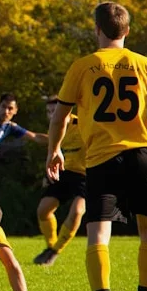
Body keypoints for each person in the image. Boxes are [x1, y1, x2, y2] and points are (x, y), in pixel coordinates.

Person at [47, 2, 147, 291]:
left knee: (98, 233)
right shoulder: (146, 65)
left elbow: (61, 116)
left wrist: (54, 150)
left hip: (101, 158)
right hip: (142, 155)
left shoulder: (82, 66)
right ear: (127, 31)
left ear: (97, 30)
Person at [33, 96, 85, 266]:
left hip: (87, 175)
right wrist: (47, 173)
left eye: (54, 111)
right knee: (43, 210)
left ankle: (56, 251)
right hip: (65, 173)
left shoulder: (83, 124)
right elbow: (52, 150)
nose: (51, 115)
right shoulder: (55, 127)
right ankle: (50, 247)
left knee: (77, 211)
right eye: (48, 112)